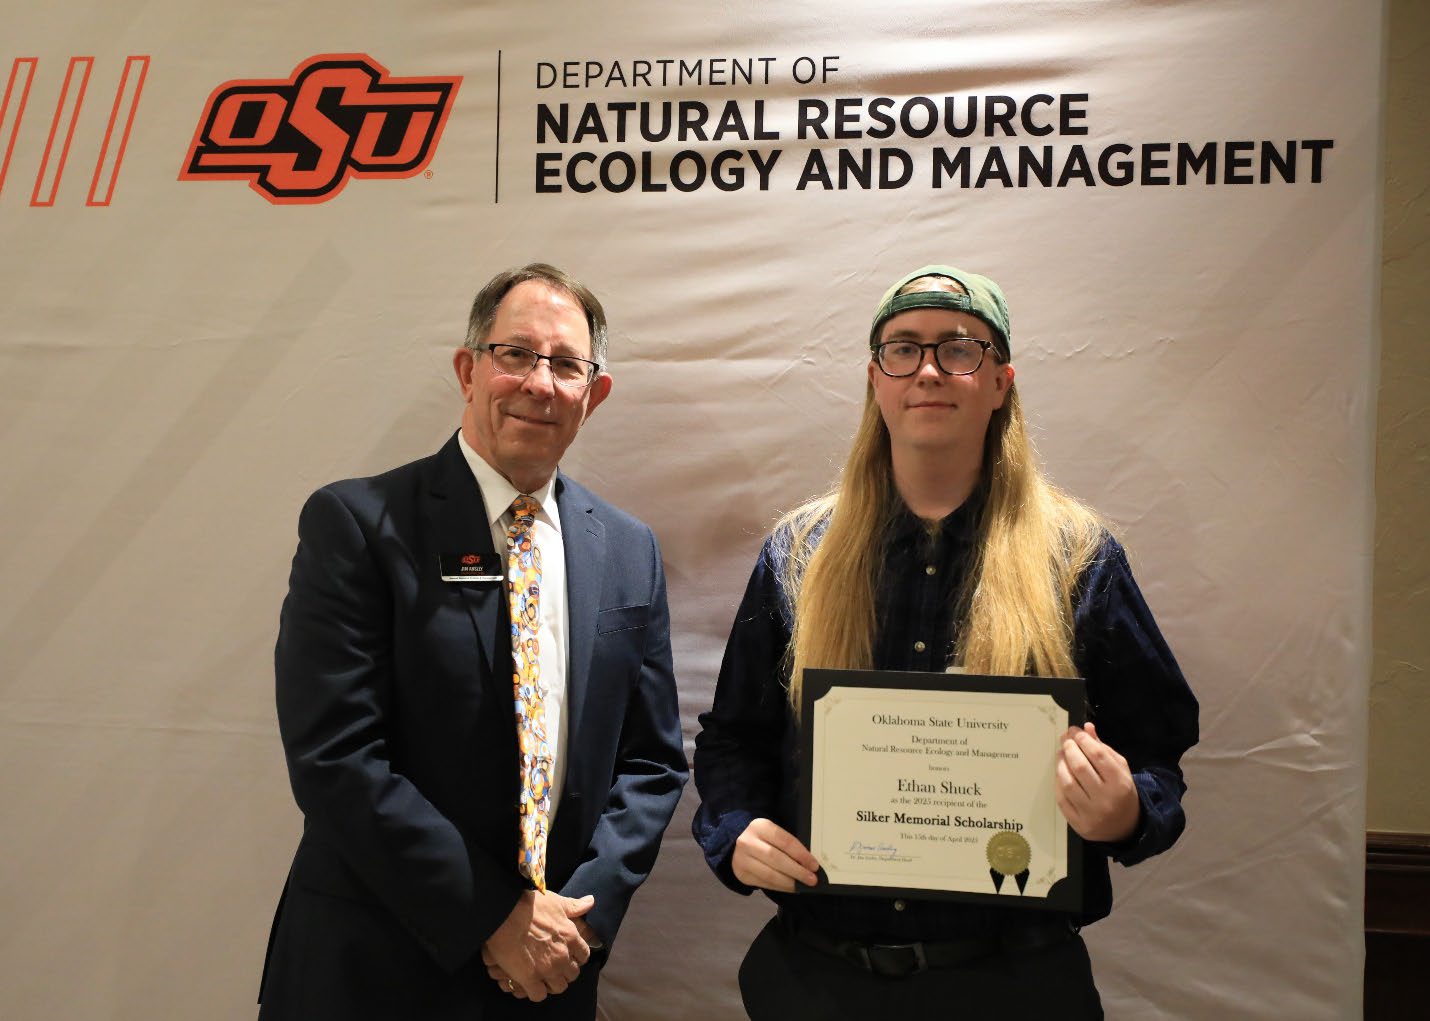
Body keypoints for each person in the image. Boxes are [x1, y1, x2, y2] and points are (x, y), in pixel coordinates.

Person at [692, 265, 1199, 1018]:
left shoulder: (1079, 559)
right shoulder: (798, 555)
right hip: (817, 981)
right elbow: (734, 737)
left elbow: (1158, 755)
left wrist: (1126, 812)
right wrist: (735, 831)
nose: (928, 370)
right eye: (902, 349)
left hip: (1016, 987)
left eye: (960, 348)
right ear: (875, 380)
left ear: (1000, 383)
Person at [258, 264, 688, 1020]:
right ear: (468, 370)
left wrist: (578, 921)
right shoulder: (359, 526)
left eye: (566, 365)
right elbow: (336, 755)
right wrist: (495, 915)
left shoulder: (629, 550)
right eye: (515, 354)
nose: (540, 383)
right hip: (378, 970)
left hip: (554, 973)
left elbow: (652, 762)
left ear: (594, 394)